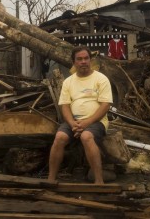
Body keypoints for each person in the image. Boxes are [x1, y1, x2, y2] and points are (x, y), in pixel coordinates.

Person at [48, 46, 113, 184]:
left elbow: (105, 105)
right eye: (79, 59)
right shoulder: (68, 82)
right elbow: (64, 106)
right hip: (74, 122)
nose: (83, 61)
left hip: (97, 121)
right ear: (74, 62)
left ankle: (99, 180)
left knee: (86, 136)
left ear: (90, 60)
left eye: (86, 58)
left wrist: (87, 123)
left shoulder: (101, 79)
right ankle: (51, 179)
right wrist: (72, 123)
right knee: (59, 137)